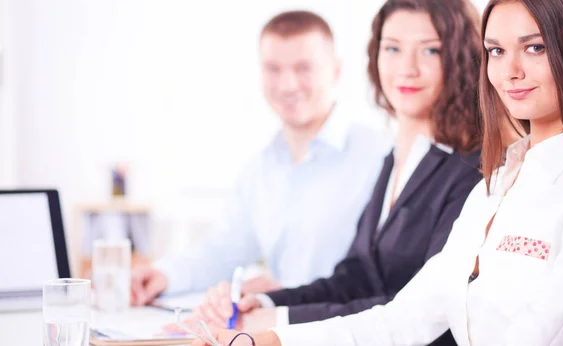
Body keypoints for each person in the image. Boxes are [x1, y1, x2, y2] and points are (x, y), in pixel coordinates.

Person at [189, 0, 563, 344]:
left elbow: (544, 332)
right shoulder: (496, 187)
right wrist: (269, 338)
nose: (510, 70)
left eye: (535, 48)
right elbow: (404, 317)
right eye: (495, 50)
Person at [175, 0, 482, 344]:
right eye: (393, 48)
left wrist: (276, 327)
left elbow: (419, 313)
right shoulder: (397, 160)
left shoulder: (473, 168)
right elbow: (357, 277)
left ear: (459, 56)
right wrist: (265, 305)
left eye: (430, 51)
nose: (407, 68)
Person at [130, 10, 391, 306]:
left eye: (303, 68)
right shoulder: (261, 168)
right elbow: (224, 248)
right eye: (273, 69)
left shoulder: (381, 156)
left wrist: (281, 295)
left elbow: (381, 275)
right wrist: (164, 274)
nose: (287, 85)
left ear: (335, 70)